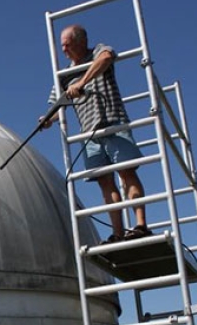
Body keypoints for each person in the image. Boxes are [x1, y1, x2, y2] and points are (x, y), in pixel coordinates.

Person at [42, 24, 150, 243]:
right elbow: (56, 106)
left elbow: (107, 57)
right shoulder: (64, 76)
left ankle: (140, 225)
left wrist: (82, 82)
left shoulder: (97, 52)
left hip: (113, 122)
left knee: (126, 172)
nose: (64, 49)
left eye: (68, 44)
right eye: (62, 46)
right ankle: (118, 232)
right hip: (89, 134)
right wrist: (47, 120)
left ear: (81, 41)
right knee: (104, 182)